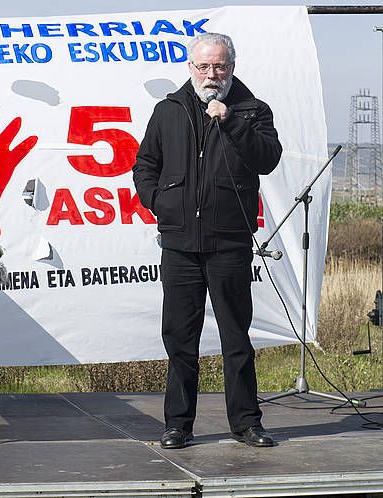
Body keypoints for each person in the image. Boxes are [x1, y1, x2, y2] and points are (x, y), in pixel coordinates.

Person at [132, 32, 282, 449]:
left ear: (232, 67)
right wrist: (160, 202)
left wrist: (229, 119)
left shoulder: (252, 111)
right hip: (179, 242)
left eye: (219, 66)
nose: (211, 74)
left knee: (236, 337)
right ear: (190, 68)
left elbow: (268, 159)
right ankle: (178, 425)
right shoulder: (168, 110)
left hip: (230, 242)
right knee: (180, 338)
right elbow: (145, 164)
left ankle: (246, 423)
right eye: (203, 66)